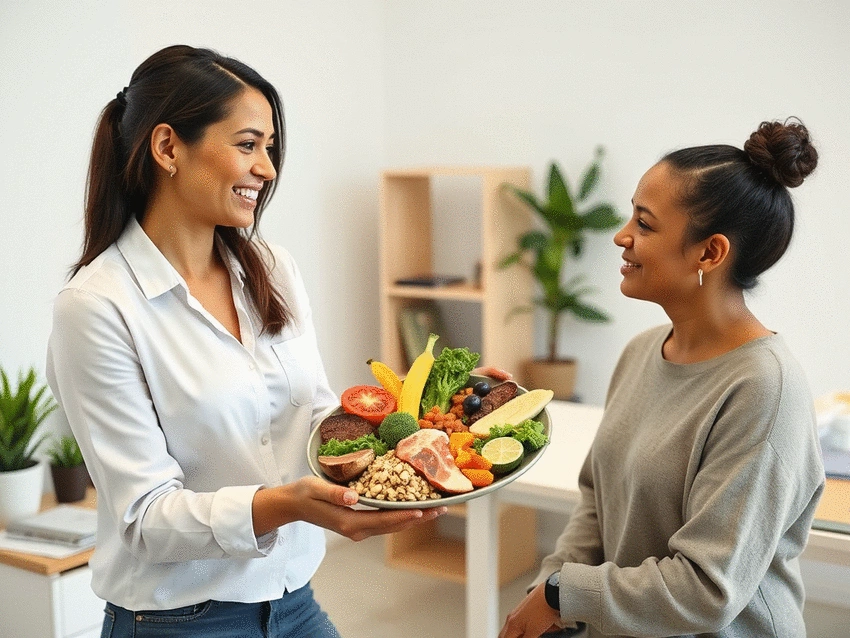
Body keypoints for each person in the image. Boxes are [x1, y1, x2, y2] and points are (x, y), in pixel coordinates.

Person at [45, 45, 448, 637]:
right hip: (176, 620)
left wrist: (397, 448)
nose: (268, 168)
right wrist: (286, 504)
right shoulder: (97, 306)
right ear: (167, 148)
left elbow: (312, 406)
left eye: (270, 148)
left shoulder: (270, 267)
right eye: (248, 145)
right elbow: (144, 517)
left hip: (293, 602)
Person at [499, 119, 825, 638]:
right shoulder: (641, 352)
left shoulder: (765, 389)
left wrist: (564, 596)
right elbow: (596, 504)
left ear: (710, 252)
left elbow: (706, 589)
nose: (621, 235)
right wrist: (550, 593)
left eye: (645, 224)